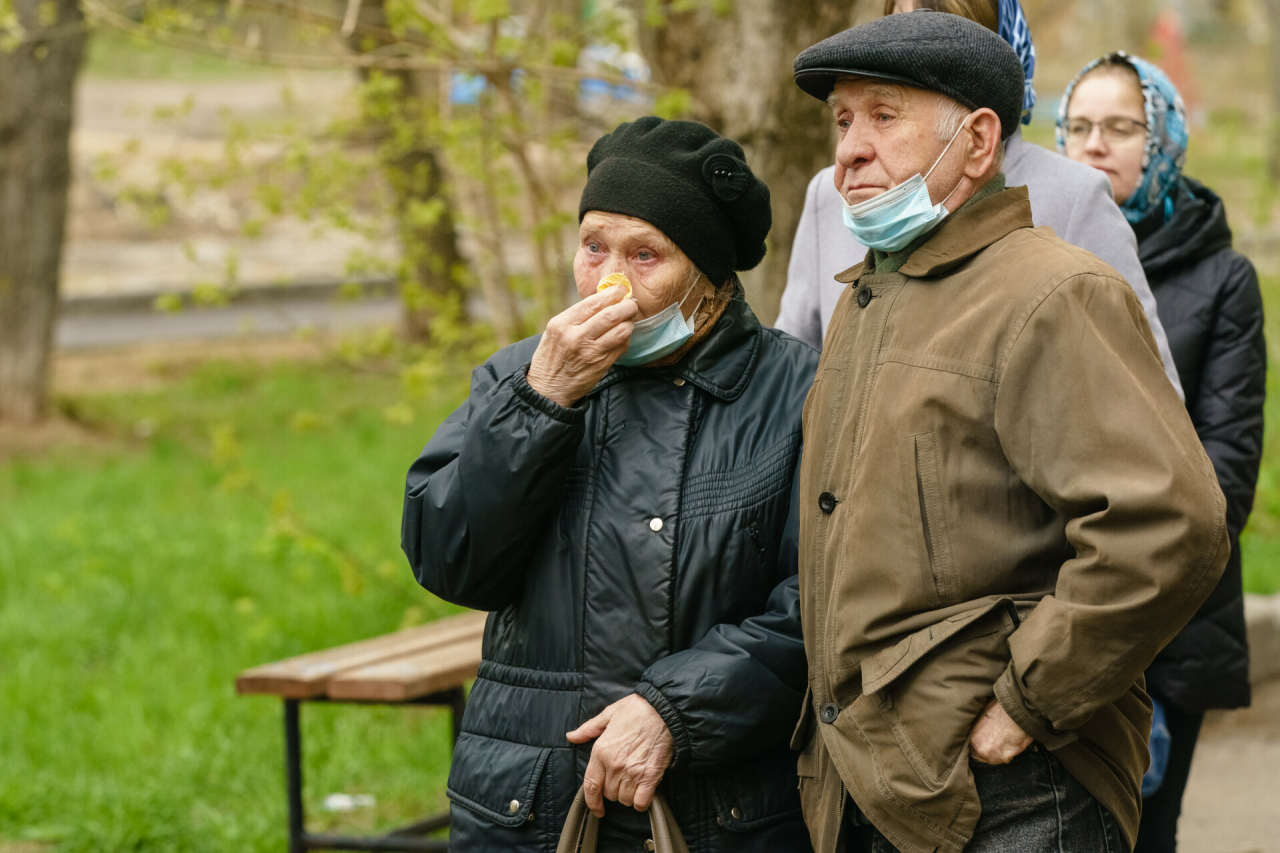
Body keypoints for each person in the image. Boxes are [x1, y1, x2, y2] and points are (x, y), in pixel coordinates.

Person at [788, 11, 1229, 853]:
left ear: (979, 140)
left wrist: (1026, 703)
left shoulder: (1053, 292)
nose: (848, 149)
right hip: (877, 781)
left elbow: (1169, 522)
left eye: (884, 116)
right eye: (842, 120)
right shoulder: (862, 300)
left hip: (1014, 794)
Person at [401, 116, 817, 852]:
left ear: (712, 278)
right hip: (528, 806)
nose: (609, 279)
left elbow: (821, 603)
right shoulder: (520, 375)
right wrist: (540, 405)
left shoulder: (796, 391)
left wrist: (673, 710)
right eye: (594, 246)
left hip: (721, 813)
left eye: (645, 254)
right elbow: (450, 558)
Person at [775, 0, 1185, 401]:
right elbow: (794, 381)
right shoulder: (828, 196)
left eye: (940, 24)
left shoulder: (1075, 196)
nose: (911, 41)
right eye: (898, 22)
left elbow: (1144, 405)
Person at [1060, 52, 1265, 853]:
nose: (1095, 144)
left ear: (1165, 138)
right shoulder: (1036, 253)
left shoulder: (1221, 279)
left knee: (1142, 834)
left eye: (1120, 126)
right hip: (1042, 611)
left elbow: (1228, 474)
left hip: (1171, 622)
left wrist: (1117, 577)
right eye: (1078, 126)